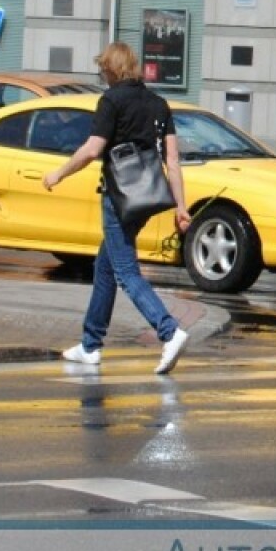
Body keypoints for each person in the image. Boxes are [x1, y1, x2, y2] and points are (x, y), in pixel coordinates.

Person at [44, 41, 193, 375]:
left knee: (125, 271)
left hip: (119, 196)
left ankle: (168, 331)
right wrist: (180, 206)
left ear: (112, 69)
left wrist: (58, 173)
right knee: (105, 267)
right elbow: (172, 160)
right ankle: (90, 344)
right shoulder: (158, 103)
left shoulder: (111, 100)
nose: (102, 75)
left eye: (103, 69)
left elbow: (92, 149)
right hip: (148, 197)